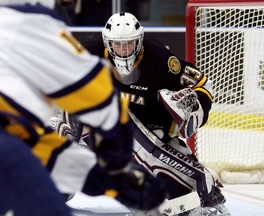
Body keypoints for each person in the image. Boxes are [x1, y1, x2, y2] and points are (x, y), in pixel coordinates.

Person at [0, 2, 166, 216]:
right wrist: (119, 163)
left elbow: (36, 149)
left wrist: (107, 181)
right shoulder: (28, 24)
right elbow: (100, 96)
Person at [56, 12, 229, 215]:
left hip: (153, 129)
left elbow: (201, 83)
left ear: (139, 42)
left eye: (129, 44)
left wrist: (194, 106)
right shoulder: (87, 55)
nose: (123, 50)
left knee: (184, 195)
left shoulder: (161, 60)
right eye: (118, 45)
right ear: (107, 43)